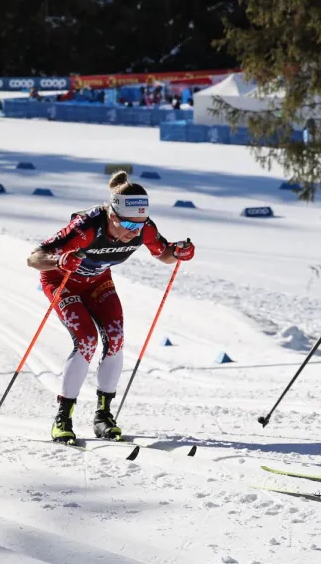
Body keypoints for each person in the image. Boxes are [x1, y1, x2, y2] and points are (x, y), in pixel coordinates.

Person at [25, 172, 195, 443]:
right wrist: (59, 262)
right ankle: (63, 418)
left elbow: (163, 253)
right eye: (127, 223)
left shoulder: (144, 228)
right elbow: (34, 258)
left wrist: (178, 252)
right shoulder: (87, 227)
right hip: (63, 280)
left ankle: (103, 416)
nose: (133, 232)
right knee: (86, 340)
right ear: (113, 216)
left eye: (138, 226)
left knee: (115, 339)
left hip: (97, 282)